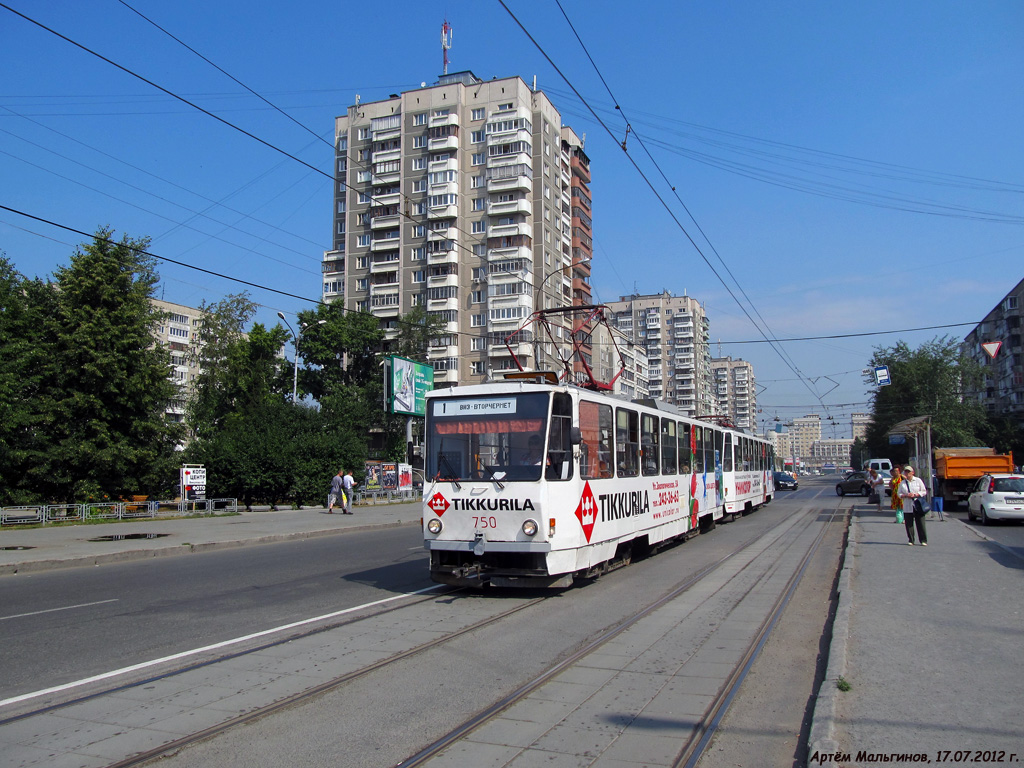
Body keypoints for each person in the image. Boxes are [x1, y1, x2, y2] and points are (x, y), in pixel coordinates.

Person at [898, 465, 928, 546]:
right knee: (909, 524)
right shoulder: (903, 483)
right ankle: (911, 540)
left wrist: (916, 494)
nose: (907, 473)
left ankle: (923, 540)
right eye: (906, 472)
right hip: (907, 505)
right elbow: (899, 493)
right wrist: (905, 495)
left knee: (920, 523)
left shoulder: (918, 481)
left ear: (912, 473)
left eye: (908, 472)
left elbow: (924, 491)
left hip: (917, 505)